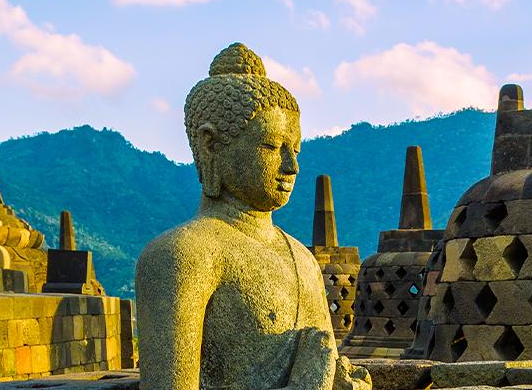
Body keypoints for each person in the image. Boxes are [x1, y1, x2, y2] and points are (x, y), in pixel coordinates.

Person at [135, 43, 371, 390]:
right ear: (211, 145)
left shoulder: (303, 260)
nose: (292, 166)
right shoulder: (181, 256)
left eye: (296, 150)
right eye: (272, 147)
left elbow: (325, 368)